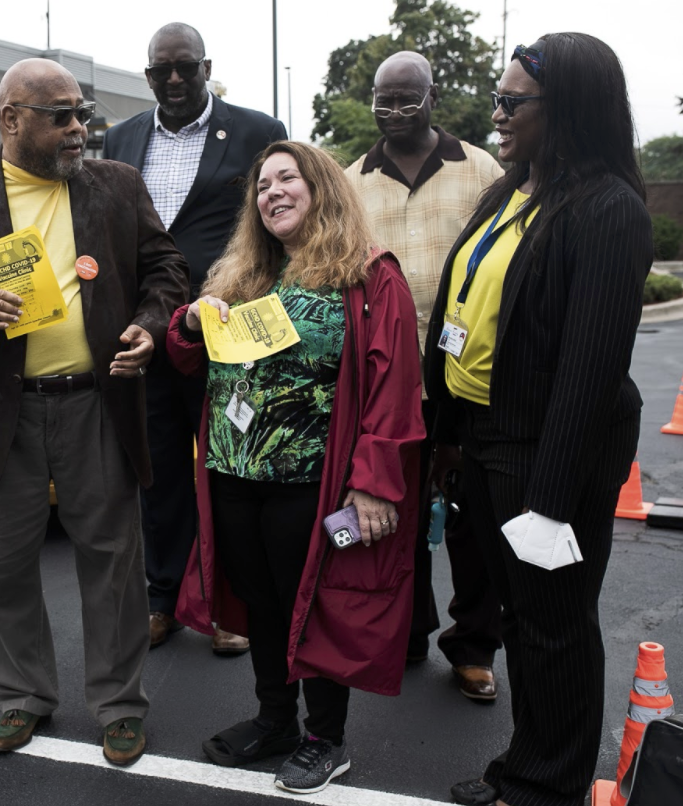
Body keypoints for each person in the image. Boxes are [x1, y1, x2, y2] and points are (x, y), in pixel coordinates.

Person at [0, 58, 189, 765]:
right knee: (2, 567)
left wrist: (150, 321)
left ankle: (118, 705)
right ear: (13, 118)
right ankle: (23, 697)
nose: (78, 128)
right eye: (62, 116)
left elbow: (166, 267)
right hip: (1, 411)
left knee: (113, 564)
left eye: (80, 113)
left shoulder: (116, 186)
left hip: (97, 404)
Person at [426, 35, 653, 806]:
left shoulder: (609, 212)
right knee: (521, 622)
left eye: (511, 101)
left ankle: (547, 789)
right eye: (498, 98)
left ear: (570, 110)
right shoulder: (514, 189)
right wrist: (451, 436)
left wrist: (550, 506)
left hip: (549, 456)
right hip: (490, 441)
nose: (496, 114)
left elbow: (589, 377)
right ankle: (527, 767)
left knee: (555, 626)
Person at [169, 141, 424, 794]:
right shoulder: (244, 273)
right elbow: (188, 356)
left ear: (322, 189)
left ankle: (325, 739)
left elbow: (394, 390)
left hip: (314, 485)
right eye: (262, 185)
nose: (272, 192)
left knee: (316, 606)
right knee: (259, 602)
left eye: (288, 179)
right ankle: (276, 719)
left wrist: (374, 483)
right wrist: (193, 321)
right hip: (234, 474)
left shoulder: (369, 276)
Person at [102, 22, 287, 655]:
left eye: (187, 68)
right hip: (147, 334)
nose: (175, 81)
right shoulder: (119, 139)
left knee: (229, 472)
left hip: (229, 335)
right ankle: (163, 599)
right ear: (148, 74)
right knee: (158, 473)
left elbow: (281, 222)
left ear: (206, 67)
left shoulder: (259, 131)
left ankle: (229, 605)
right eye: (162, 71)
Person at [344, 51, 504, 700]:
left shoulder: (483, 171)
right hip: (385, 380)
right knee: (395, 511)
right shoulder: (353, 180)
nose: (393, 111)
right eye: (384, 100)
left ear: (433, 97)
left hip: (465, 378)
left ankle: (471, 646)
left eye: (407, 99)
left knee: (471, 516)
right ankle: (405, 630)